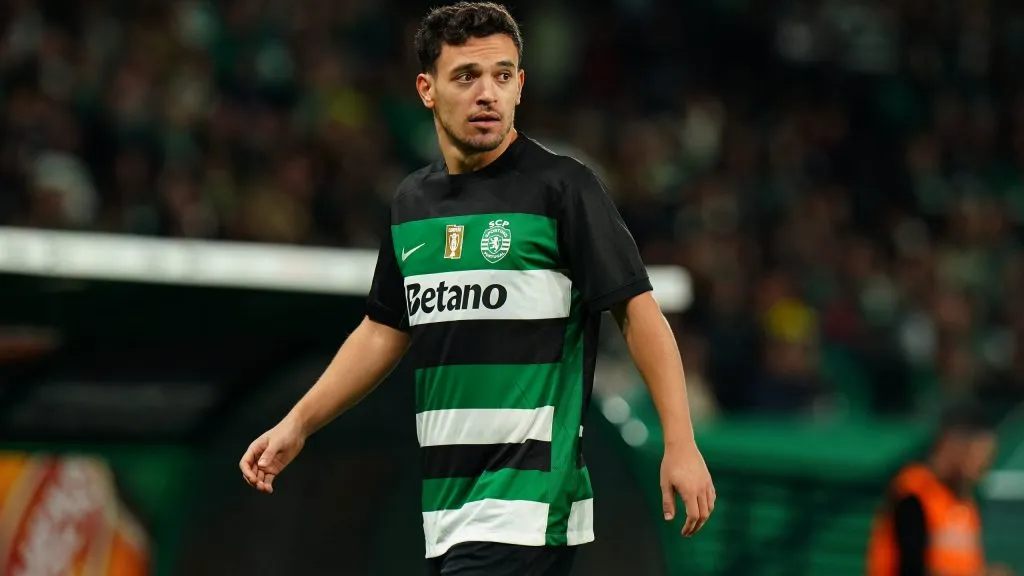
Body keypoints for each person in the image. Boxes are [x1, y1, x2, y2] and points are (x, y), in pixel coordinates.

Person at [239, 2, 715, 574]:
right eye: (466, 76)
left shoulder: (562, 190)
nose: (487, 92)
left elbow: (638, 314)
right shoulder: (412, 205)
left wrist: (680, 443)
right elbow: (383, 330)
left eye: (503, 75)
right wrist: (298, 424)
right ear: (427, 89)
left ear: (520, 86)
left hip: (530, 500)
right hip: (446, 509)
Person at [866, 405, 1010, 576]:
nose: (982, 469)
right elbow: (910, 567)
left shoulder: (964, 500)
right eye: (979, 458)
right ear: (954, 447)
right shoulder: (915, 492)